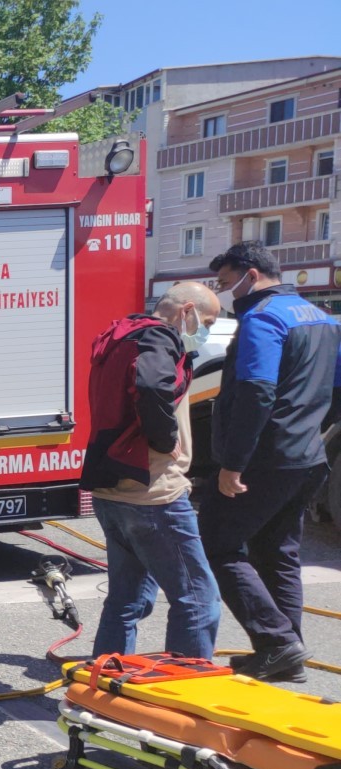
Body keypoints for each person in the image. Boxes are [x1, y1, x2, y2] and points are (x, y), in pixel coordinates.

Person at [198, 241, 341, 682]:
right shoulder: (321, 318)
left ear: (252, 274)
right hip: (307, 456)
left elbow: (257, 391)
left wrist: (233, 464)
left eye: (226, 284)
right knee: (277, 551)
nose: (226, 295)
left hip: (266, 458)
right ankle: (286, 651)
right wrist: (312, 432)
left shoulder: (263, 318)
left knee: (218, 545)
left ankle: (277, 642)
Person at [80, 282, 222, 659]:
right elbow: (151, 386)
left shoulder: (124, 333)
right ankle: (185, 691)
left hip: (112, 489)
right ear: (186, 310)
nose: (203, 330)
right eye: (205, 321)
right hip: (154, 493)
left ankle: (107, 679)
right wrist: (163, 438)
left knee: (127, 599)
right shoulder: (160, 338)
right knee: (197, 598)